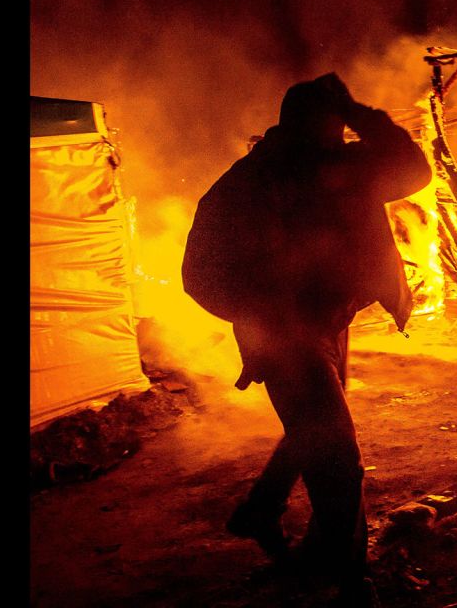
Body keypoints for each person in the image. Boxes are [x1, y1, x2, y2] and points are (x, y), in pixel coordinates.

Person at [182, 73, 431, 606]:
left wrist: (359, 113)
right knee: (338, 457)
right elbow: (198, 274)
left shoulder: (339, 165)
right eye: (334, 125)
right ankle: (350, 582)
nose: (340, 137)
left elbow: (414, 170)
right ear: (302, 126)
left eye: (343, 128)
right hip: (283, 337)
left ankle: (263, 508)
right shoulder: (247, 184)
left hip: (330, 321)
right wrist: (265, 317)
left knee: (318, 426)